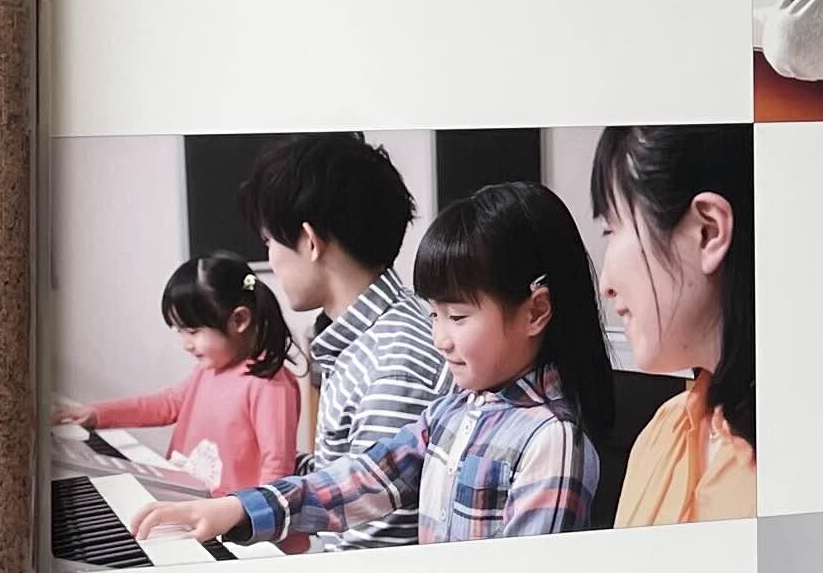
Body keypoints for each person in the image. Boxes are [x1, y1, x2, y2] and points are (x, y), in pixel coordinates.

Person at [162, 183, 609, 548]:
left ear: (535, 312)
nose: (440, 339)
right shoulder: (454, 410)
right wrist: (240, 508)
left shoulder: (550, 441)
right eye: (434, 315)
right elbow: (362, 479)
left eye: (458, 317)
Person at [232, 133, 441, 550]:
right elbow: (341, 472)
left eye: (269, 242)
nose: (270, 257)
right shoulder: (361, 338)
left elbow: (370, 550)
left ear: (310, 241)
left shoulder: (392, 364)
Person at [592, 124, 757, 523]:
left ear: (707, 232)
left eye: (611, 229)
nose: (605, 284)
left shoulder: (816, 463)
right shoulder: (662, 433)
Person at [59, 250, 302, 498]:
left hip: (233, 518)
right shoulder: (209, 371)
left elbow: (277, 467)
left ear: (239, 320)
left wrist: (254, 516)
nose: (185, 344)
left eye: (193, 331)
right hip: (189, 506)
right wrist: (97, 414)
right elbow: (165, 404)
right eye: (180, 331)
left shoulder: (270, 384)